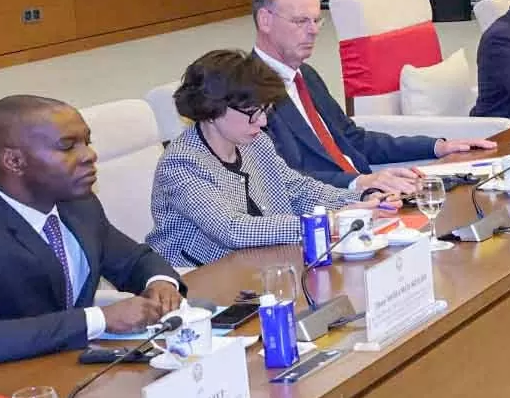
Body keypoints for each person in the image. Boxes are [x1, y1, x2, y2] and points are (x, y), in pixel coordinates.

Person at [0, 96, 185, 376]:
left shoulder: (77, 204)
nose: (89, 155)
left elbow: (134, 260)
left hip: (63, 365)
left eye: (87, 142)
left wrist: (160, 283)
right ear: (14, 161)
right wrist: (100, 319)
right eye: (68, 147)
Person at [249, 0, 491, 192]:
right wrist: (359, 183)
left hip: (370, 194)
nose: (313, 31)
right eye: (301, 21)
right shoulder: (246, 91)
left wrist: (437, 146)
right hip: (329, 208)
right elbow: (282, 177)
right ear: (265, 20)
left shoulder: (306, 75)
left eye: (317, 21)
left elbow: (354, 139)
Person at [149, 51, 383, 270]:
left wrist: (363, 197)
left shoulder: (256, 142)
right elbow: (232, 229)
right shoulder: (181, 164)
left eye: (265, 110)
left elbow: (300, 191)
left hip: (263, 265)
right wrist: (326, 222)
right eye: (252, 113)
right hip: (199, 281)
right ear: (213, 110)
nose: (261, 122)